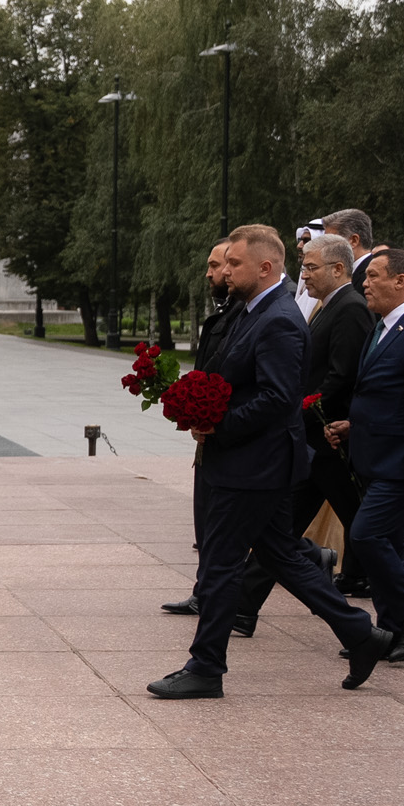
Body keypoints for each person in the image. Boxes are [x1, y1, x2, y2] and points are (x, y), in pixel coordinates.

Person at [146, 225, 394, 699]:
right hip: (256, 463)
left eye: (234, 263)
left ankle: (206, 668)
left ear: (265, 267)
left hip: (254, 466)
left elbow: (279, 399)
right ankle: (362, 634)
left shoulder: (278, 318)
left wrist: (219, 424)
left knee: (220, 564)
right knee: (283, 557)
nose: (226, 271)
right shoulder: (250, 309)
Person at [238, 232, 367, 624]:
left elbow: (340, 378)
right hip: (315, 442)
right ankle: (243, 607)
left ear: (338, 268)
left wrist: (300, 413)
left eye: (311, 267)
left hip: (332, 441)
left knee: (367, 531)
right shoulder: (331, 306)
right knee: (280, 532)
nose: (304, 275)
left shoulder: (350, 308)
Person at [326, 247, 404, 665]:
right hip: (374, 457)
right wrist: (353, 426)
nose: (365, 283)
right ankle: (393, 630)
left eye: (373, 275)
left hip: (400, 463)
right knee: (389, 547)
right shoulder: (383, 326)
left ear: (400, 280)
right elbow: (387, 396)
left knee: (365, 537)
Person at [162, 240, 239, 619]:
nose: (210, 273)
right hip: (213, 430)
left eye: (216, 265)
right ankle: (206, 593)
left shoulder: (251, 313)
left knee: (234, 530)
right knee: (209, 521)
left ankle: (211, 599)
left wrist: (213, 417)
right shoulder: (228, 311)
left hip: (233, 436)